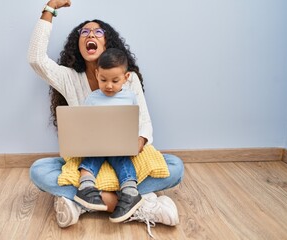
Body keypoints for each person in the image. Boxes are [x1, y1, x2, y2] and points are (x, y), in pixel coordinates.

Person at [28, 0, 184, 232]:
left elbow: (144, 123)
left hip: (125, 159)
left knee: (175, 166)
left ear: (107, 42)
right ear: (78, 44)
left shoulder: (127, 79)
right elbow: (36, 59)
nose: (91, 34)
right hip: (89, 165)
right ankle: (133, 205)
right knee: (39, 170)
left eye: (98, 31)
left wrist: (139, 141)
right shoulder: (69, 78)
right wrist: (49, 8)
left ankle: (84, 204)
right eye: (85, 32)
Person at [74, 48, 143, 223]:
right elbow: (84, 123)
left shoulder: (130, 97)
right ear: (97, 74)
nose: (109, 85)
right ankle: (86, 189)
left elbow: (136, 121)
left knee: (122, 160)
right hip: (97, 143)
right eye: (103, 80)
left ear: (126, 78)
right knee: (91, 158)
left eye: (115, 80)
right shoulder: (92, 99)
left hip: (120, 145)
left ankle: (130, 193)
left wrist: (136, 139)